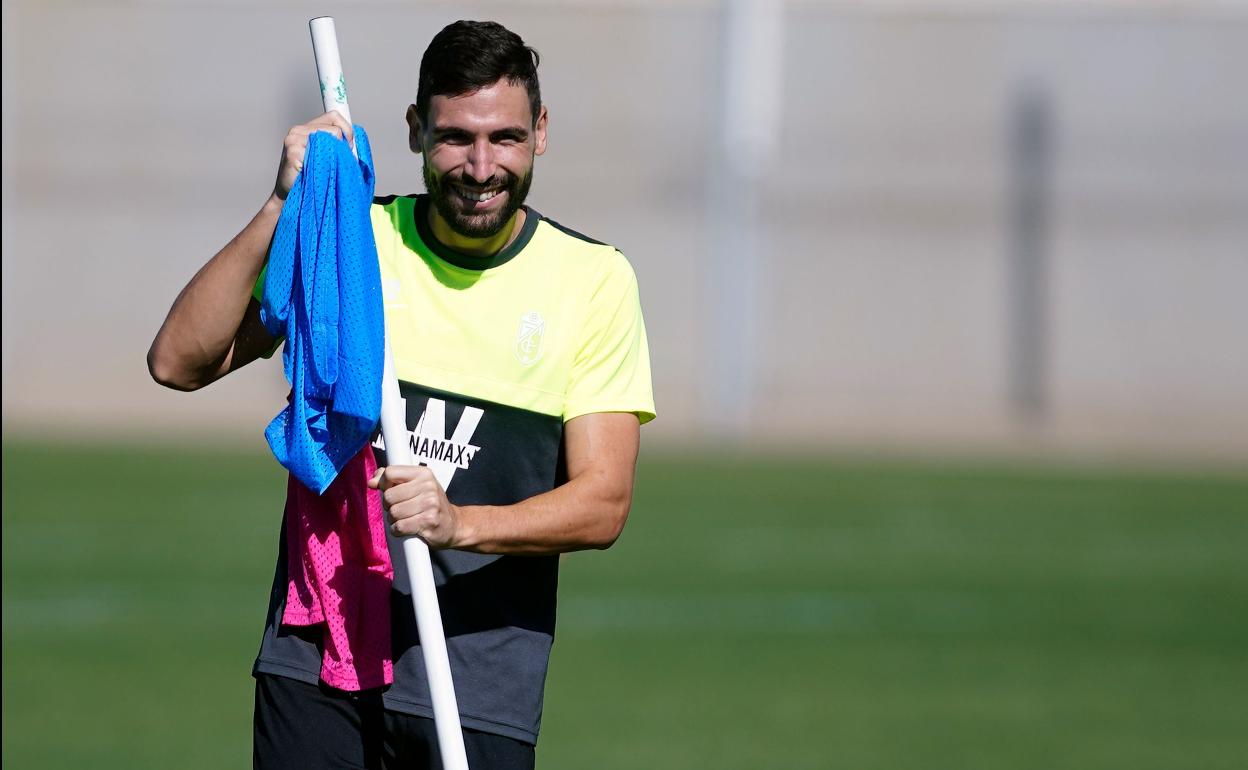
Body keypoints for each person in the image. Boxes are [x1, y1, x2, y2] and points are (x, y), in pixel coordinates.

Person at [148, 20, 654, 770]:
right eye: (455, 138)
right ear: (416, 130)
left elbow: (603, 502)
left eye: (505, 138)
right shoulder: (359, 241)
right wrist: (280, 203)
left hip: (476, 680)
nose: (481, 166)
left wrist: (459, 522)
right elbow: (179, 361)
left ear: (540, 132)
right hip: (318, 653)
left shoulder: (593, 281)